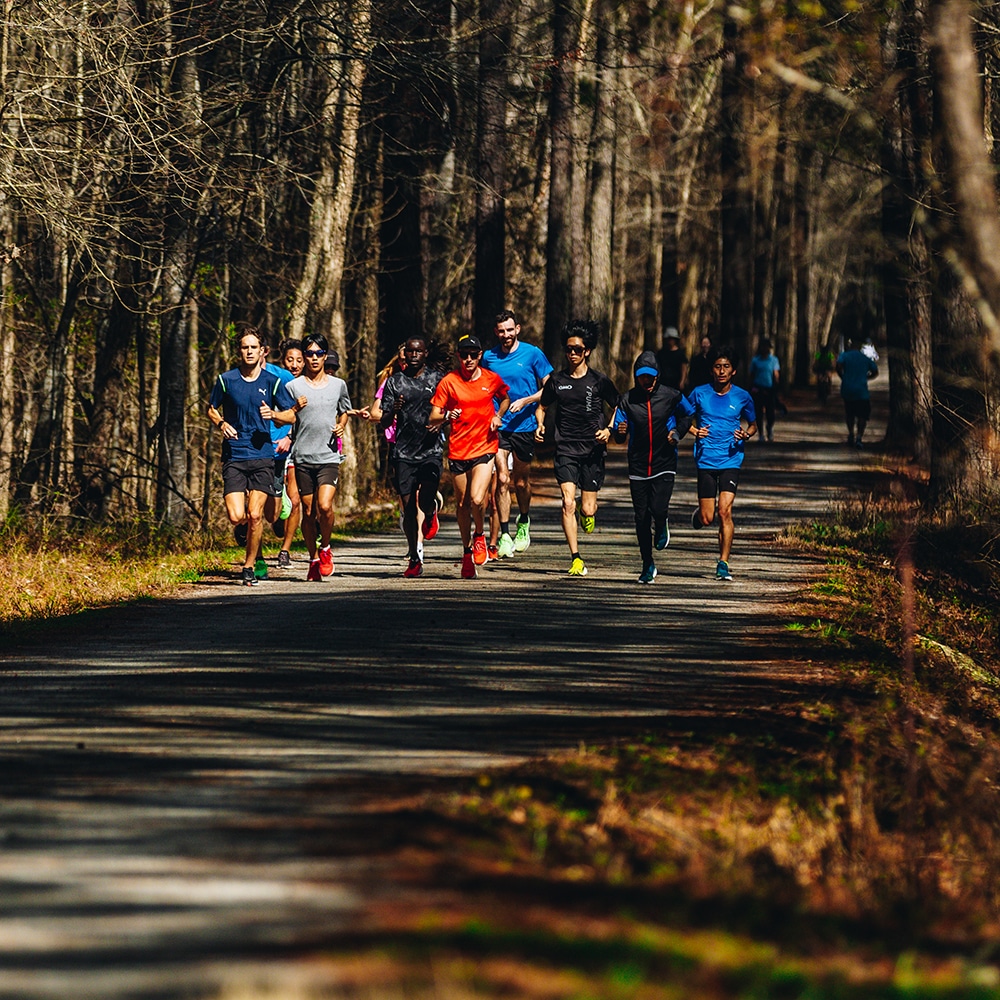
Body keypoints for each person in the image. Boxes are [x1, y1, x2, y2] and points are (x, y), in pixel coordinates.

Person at [207, 328, 296, 587]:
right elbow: (211, 409)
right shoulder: (226, 380)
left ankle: (250, 565)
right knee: (238, 516)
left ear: (261, 351)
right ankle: (253, 545)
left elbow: (291, 414)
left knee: (256, 515)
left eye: (253, 347)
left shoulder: (271, 381)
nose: (249, 352)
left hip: (262, 455)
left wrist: (275, 416)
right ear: (239, 351)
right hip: (234, 454)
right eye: (245, 347)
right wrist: (221, 423)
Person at [535, 319, 619, 577]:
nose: (572, 354)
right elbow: (543, 406)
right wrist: (540, 425)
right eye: (569, 349)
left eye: (577, 350)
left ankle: (588, 512)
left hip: (592, 450)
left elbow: (618, 406)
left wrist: (609, 430)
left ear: (587, 351)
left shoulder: (599, 381)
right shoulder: (557, 381)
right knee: (567, 503)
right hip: (565, 450)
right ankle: (576, 558)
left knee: (587, 508)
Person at [428, 334, 510, 579]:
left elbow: (505, 398)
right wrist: (446, 416)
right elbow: (433, 416)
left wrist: (498, 416)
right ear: (458, 356)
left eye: (473, 355)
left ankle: (480, 535)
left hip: (485, 446)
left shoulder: (491, 378)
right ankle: (466, 551)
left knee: (477, 498)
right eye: (464, 355)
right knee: (462, 503)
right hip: (458, 450)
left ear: (480, 356)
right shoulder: (449, 382)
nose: (468, 359)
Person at [612, 351, 694, 584]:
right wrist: (619, 432)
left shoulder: (671, 396)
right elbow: (619, 433)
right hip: (638, 464)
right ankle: (647, 564)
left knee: (658, 508)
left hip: (664, 461)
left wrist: (677, 433)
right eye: (642, 377)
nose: (646, 381)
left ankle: (662, 523)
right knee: (641, 517)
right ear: (636, 377)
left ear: (657, 376)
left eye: (650, 377)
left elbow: (688, 415)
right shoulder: (627, 400)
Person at [481, 309, 553, 558]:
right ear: (496, 332)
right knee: (501, 479)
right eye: (501, 331)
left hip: (524, 426)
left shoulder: (533, 353)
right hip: (499, 426)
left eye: (510, 330)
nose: (506, 335)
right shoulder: (488, 357)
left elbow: (550, 387)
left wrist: (527, 401)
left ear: (518, 329)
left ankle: (524, 521)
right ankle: (503, 534)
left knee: (520, 482)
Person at [687, 347, 758, 581]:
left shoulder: (742, 396)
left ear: (734, 371)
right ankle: (699, 517)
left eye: (726, 367)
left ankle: (723, 563)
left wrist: (746, 434)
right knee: (708, 518)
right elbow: (680, 416)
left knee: (724, 511)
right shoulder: (699, 393)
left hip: (731, 459)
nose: (721, 371)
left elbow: (753, 425)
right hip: (706, 459)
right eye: (717, 366)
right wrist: (694, 430)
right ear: (711, 370)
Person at [376, 336, 444, 577]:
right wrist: (392, 411)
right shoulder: (395, 382)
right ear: (405, 355)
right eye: (410, 352)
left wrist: (441, 422)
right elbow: (383, 420)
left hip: (430, 450)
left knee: (425, 500)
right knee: (407, 507)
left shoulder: (437, 379)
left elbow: (448, 410)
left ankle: (431, 511)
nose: (414, 355)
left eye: (419, 352)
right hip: (403, 452)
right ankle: (414, 556)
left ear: (425, 354)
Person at [286, 334, 353, 580]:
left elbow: (344, 411)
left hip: (328, 455)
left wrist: (341, 425)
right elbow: (286, 417)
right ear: (304, 357)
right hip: (303, 456)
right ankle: (313, 558)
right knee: (308, 511)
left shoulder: (338, 385)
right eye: (309, 353)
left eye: (319, 353)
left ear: (325, 356)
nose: (314, 358)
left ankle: (325, 547)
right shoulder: (293, 387)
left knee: (324, 505)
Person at [275, 338, 304, 569]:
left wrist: (291, 437)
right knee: (272, 503)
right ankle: (276, 517)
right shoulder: (273, 382)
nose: (294, 365)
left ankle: (285, 550)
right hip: (270, 448)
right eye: (290, 360)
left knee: (295, 500)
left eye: (299, 360)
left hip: (296, 449)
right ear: (282, 361)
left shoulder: (307, 386)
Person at [837, 337, 878, 448]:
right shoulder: (864, 358)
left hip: (847, 389)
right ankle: (859, 438)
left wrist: (843, 376)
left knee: (849, 413)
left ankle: (851, 433)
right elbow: (875, 370)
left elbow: (838, 366)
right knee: (862, 415)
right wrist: (867, 377)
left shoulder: (844, 356)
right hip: (861, 391)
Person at [749, 338, 782, 443]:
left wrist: (776, 384)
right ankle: (761, 434)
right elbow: (751, 374)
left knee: (770, 412)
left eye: (767, 347)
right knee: (758, 412)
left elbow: (776, 373)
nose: (765, 349)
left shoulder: (773, 360)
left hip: (769, 388)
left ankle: (769, 427)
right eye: (763, 347)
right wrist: (751, 387)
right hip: (758, 388)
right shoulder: (755, 360)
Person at [655, 326, 688, 390]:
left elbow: (684, 368)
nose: (670, 341)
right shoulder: (661, 353)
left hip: (676, 383)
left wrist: (682, 381)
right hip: (663, 382)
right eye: (668, 339)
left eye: (672, 339)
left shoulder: (680, 354)